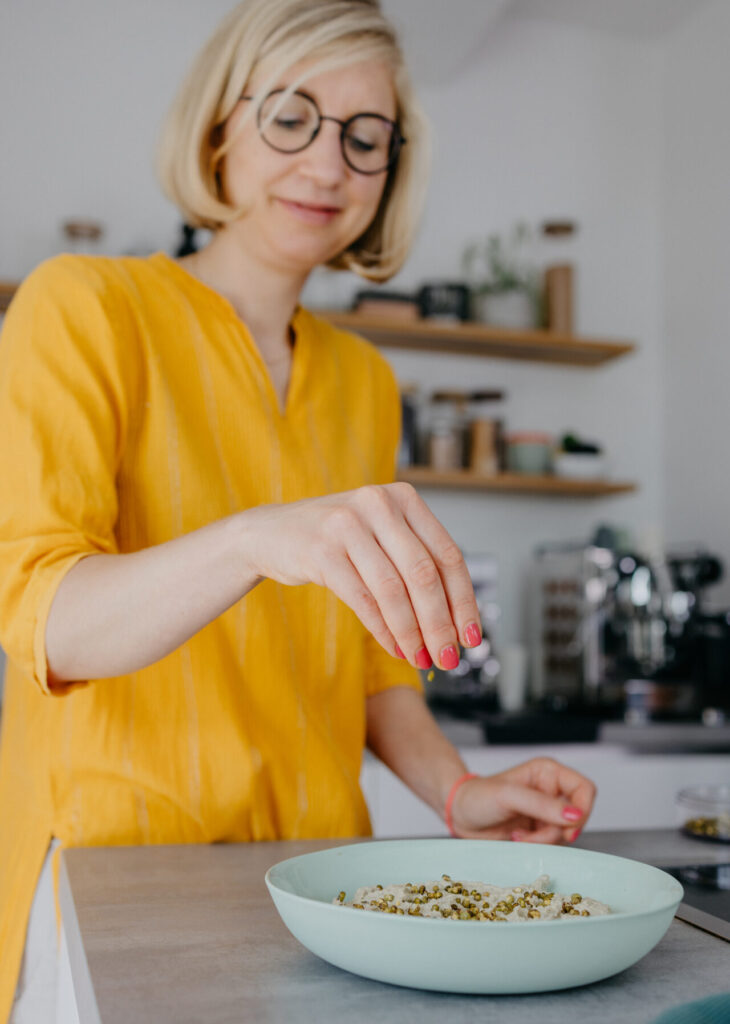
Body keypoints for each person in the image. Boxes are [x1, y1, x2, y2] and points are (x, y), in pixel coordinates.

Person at [0, 1, 596, 1019]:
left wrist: (457, 794)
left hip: (320, 886)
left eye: (365, 139)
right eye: (291, 116)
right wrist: (252, 537)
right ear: (220, 128)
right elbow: (46, 617)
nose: (327, 166)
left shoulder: (363, 380)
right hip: (117, 878)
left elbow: (366, 663)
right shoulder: (81, 307)